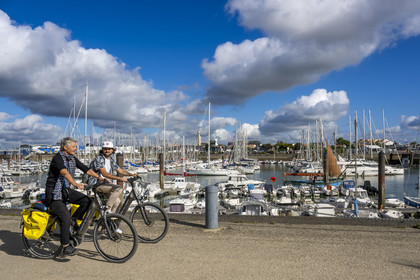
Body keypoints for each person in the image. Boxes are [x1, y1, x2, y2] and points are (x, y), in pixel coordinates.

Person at [45, 137, 104, 257]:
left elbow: (86, 169)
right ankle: (66, 246)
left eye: (75, 146)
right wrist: (76, 184)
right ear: (65, 147)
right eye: (73, 146)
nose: (76, 148)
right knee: (65, 216)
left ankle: (73, 220)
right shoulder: (58, 158)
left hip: (65, 191)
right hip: (54, 194)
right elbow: (64, 172)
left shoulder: (72, 158)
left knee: (86, 201)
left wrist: (99, 178)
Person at [88, 141, 136, 213]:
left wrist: (133, 175)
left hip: (105, 184)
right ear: (102, 149)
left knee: (118, 202)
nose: (107, 151)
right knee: (118, 189)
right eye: (105, 149)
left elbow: (120, 170)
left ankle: (110, 221)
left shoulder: (111, 160)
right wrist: (120, 178)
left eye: (109, 149)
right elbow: (104, 173)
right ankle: (107, 209)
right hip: (97, 184)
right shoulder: (99, 159)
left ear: (113, 150)